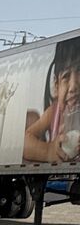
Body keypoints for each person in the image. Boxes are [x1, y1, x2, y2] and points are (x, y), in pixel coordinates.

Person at [24, 36, 80, 164]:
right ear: (56, 86)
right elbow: (25, 141)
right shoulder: (54, 113)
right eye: (66, 76)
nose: (73, 86)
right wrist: (48, 151)